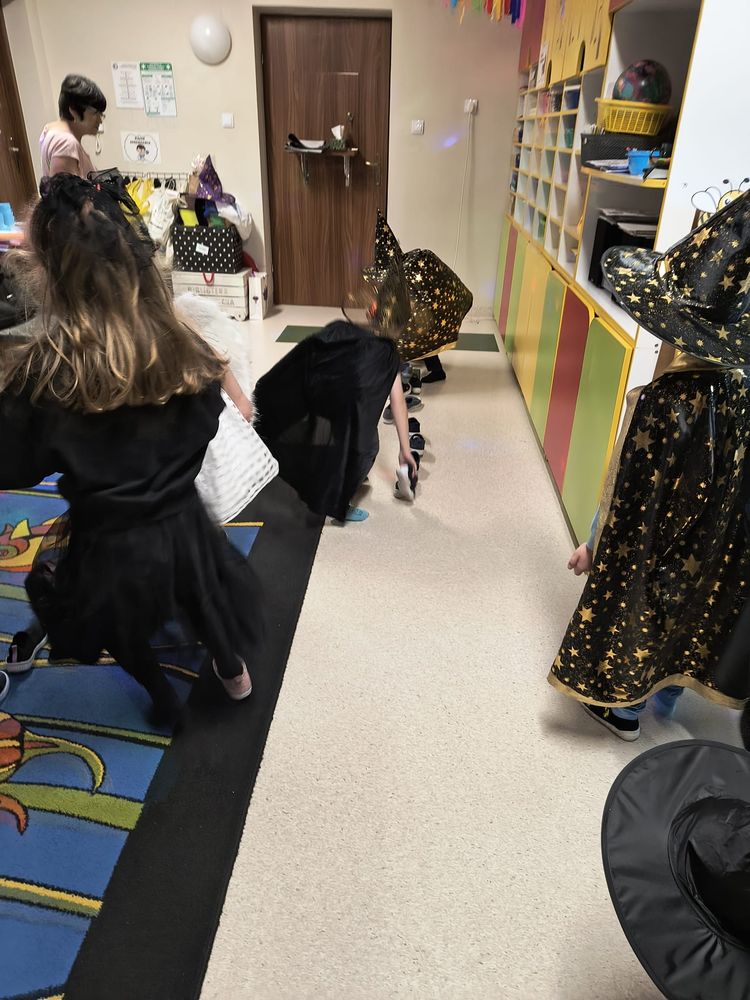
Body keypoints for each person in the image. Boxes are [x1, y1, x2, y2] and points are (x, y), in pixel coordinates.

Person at [1, 174, 260, 722]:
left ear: (46, 274)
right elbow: (206, 420)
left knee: (113, 623)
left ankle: (163, 697)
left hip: (109, 542)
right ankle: (233, 671)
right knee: (203, 598)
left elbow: (14, 463)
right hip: (182, 525)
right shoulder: (174, 341)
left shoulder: (48, 370)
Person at [549, 191, 750, 740]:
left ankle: (621, 709)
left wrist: (595, 542)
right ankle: (669, 691)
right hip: (711, 543)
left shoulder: (666, 401)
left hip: (657, 540)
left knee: (644, 596)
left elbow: (629, 493)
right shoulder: (740, 391)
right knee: (689, 600)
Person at [40, 74, 106, 180]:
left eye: (101, 115)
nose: (100, 120)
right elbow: (63, 190)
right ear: (74, 111)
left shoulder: (51, 130)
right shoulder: (66, 143)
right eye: (95, 113)